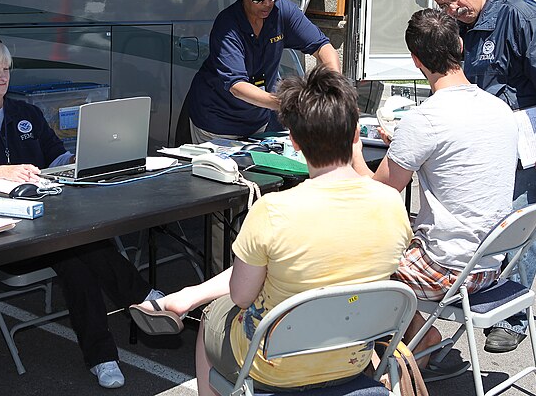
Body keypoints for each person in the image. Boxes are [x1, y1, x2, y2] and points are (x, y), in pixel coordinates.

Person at [133, 66, 412, 396]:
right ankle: (186, 297)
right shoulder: (391, 204)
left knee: (213, 316)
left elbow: (240, 295)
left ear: (293, 140)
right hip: (352, 360)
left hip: (275, 368)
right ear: (355, 134)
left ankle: (189, 301)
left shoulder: (273, 211)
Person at [0, 37, 162, 389]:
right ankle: (142, 300)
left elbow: (54, 156)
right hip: (3, 233)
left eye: (7, 69)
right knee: (79, 248)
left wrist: (78, 159)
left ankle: (104, 355)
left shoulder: (26, 112)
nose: (3, 77)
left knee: (78, 249)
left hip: (47, 221)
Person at [352, 9, 519, 366]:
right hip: (492, 261)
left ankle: (414, 340)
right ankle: (419, 333)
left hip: (448, 270)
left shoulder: (425, 118)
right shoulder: (500, 108)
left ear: (416, 61)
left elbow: (378, 192)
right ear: (460, 45)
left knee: (356, 259)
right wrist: (405, 143)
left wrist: (351, 148)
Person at [424, 0, 536, 352]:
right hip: (488, 139)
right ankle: (479, 292)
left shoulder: (521, 16)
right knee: (486, 220)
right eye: (444, 5)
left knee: (521, 225)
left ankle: (513, 318)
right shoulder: (461, 26)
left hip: (530, 142)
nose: (453, 10)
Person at [186, 0, 339, 272]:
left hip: (257, 121)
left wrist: (334, 83)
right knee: (222, 205)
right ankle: (221, 279)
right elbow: (236, 85)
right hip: (216, 121)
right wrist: (284, 101)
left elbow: (322, 45)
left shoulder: (283, 12)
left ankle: (259, 269)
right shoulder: (227, 25)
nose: (268, 4)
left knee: (260, 195)